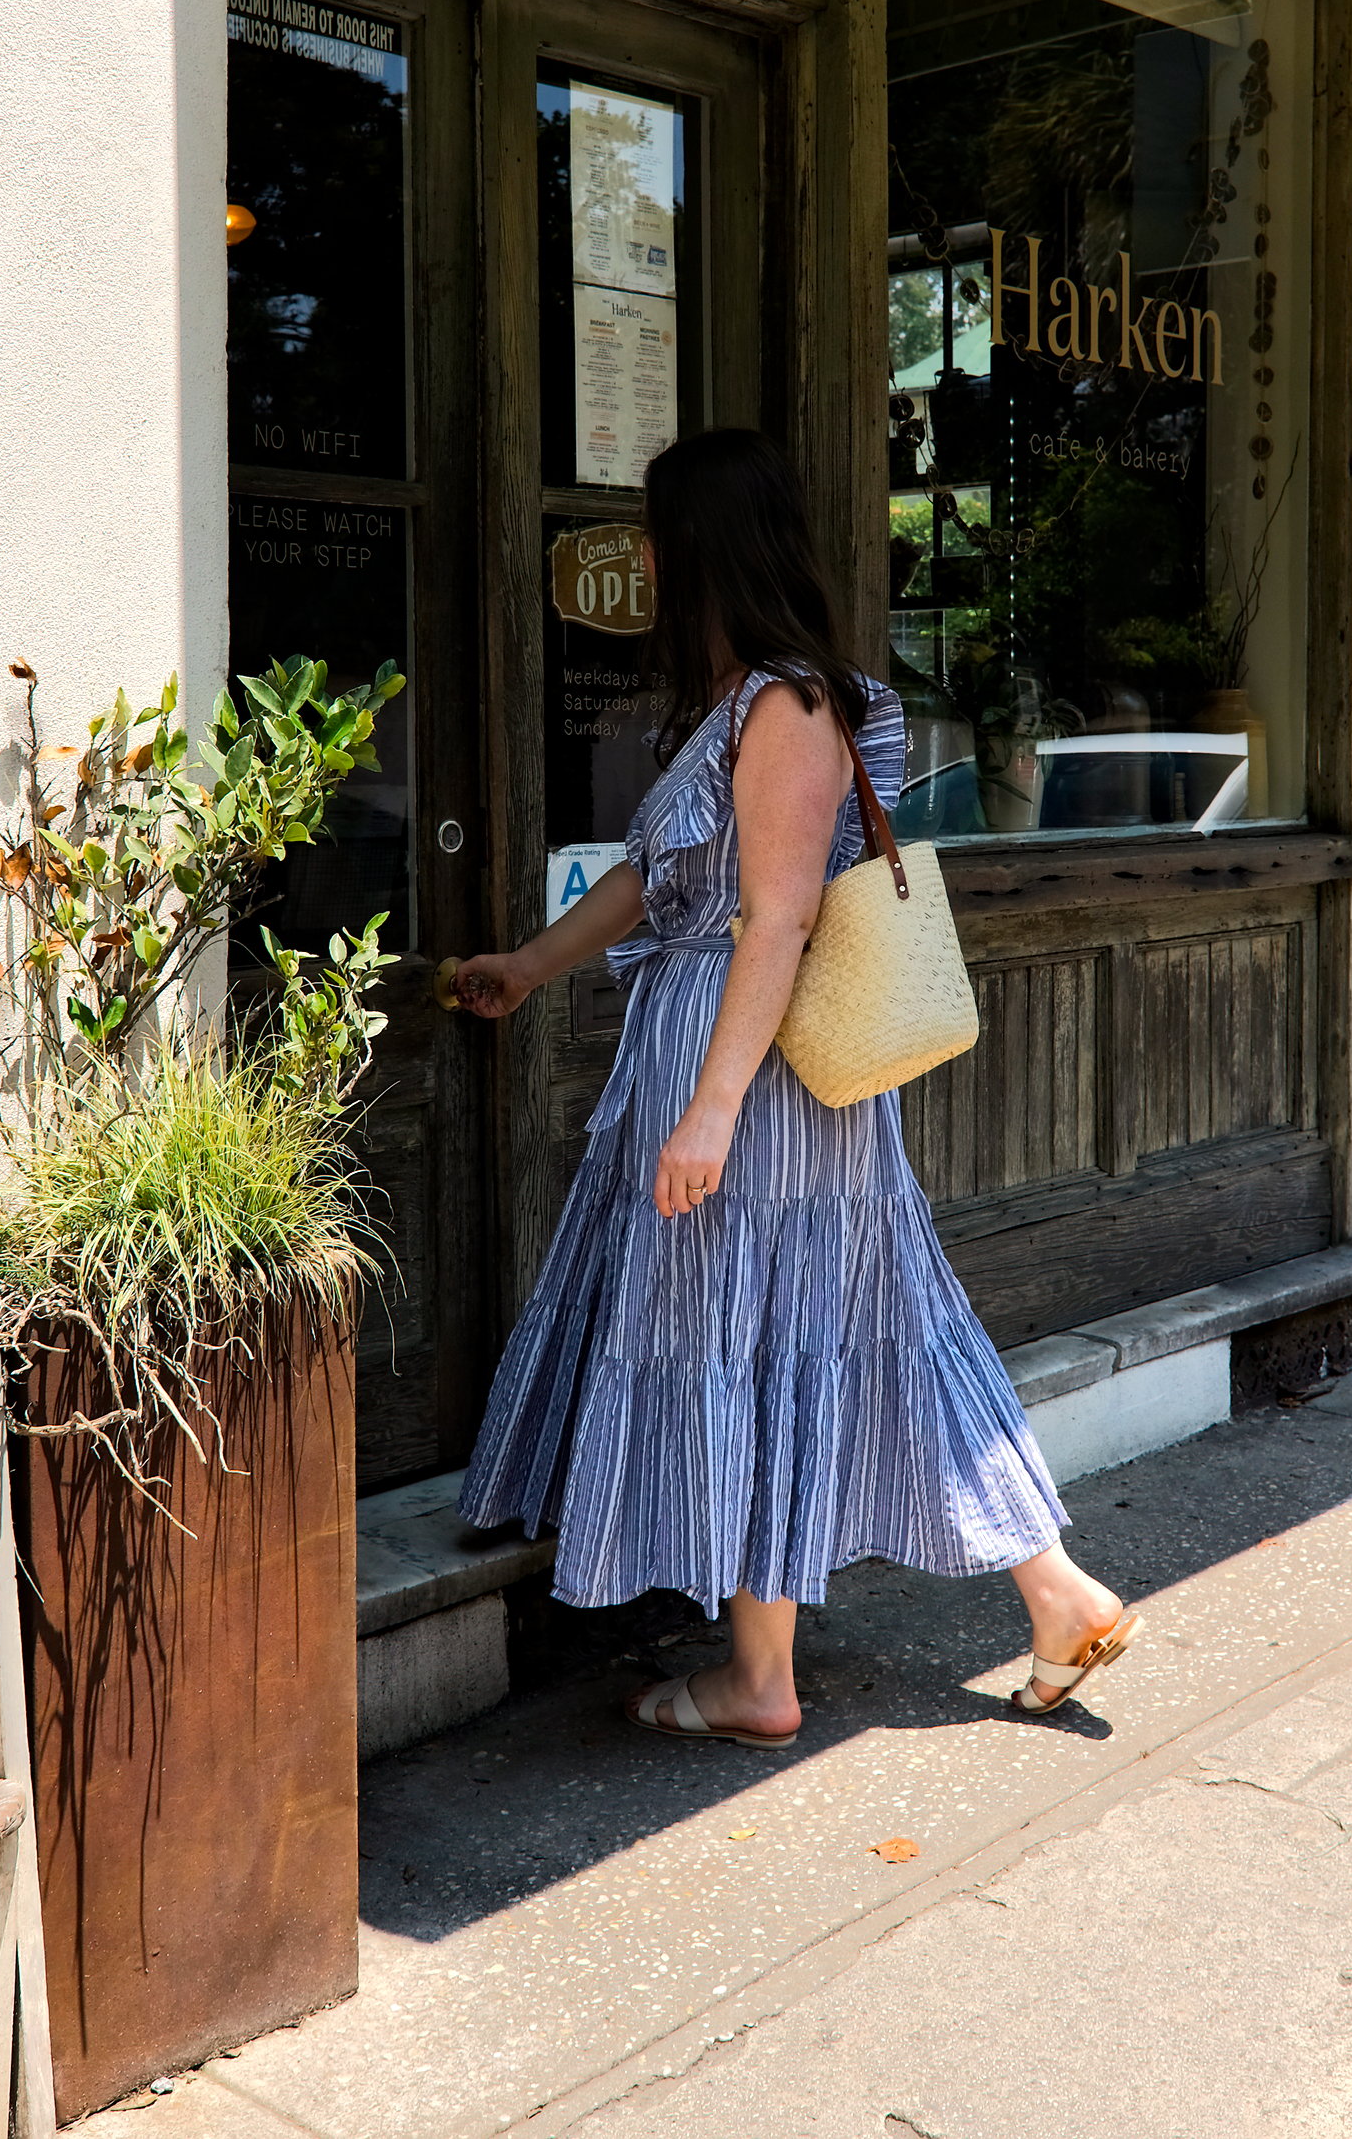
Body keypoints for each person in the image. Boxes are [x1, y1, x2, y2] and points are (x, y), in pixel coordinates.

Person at [454, 428, 1137, 1746]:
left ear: (700, 546)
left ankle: (760, 1680)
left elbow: (773, 921)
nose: (643, 560)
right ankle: (1056, 1595)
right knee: (859, 1327)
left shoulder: (788, 704)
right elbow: (659, 883)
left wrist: (708, 1109)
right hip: (739, 1070)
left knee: (757, 1334)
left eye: (656, 535)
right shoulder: (738, 702)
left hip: (755, 1082)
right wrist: (528, 967)